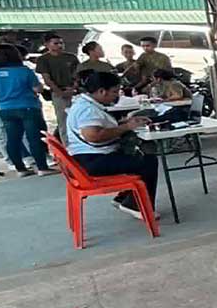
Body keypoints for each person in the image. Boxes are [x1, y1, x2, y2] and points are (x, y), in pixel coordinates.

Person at [65, 71, 160, 220]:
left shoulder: (86, 104)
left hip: (87, 158)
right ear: (102, 91)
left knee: (137, 157)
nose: (117, 96)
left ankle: (124, 198)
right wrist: (126, 128)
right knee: (148, 162)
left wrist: (127, 123)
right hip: (92, 161)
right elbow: (93, 136)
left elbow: (99, 126)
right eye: (114, 92)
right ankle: (135, 205)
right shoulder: (87, 109)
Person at [0, 44, 55, 176]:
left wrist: (2, 96)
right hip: (28, 106)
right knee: (34, 138)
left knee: (13, 139)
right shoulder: (24, 70)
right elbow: (37, 89)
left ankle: (20, 169)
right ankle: (42, 167)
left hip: (5, 108)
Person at [35, 32, 79, 141]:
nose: (59, 45)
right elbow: (47, 79)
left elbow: (78, 74)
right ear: (47, 44)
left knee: (78, 119)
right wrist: (60, 92)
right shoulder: (43, 59)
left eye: (61, 43)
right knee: (63, 121)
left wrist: (74, 88)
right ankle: (67, 146)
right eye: (55, 43)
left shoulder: (71, 57)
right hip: (58, 92)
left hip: (75, 91)